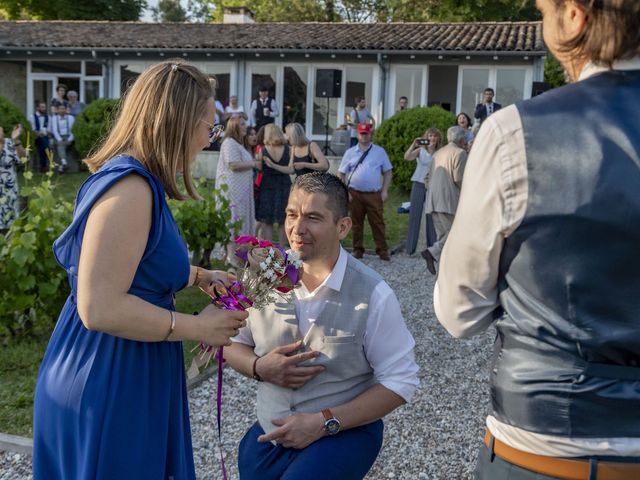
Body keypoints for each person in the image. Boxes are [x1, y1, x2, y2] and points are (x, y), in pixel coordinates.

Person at [435, 1, 640, 479]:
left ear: (575, 15)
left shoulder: (514, 132)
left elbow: (459, 312)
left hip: (545, 444)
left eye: (544, 8)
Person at [32, 60, 249, 480]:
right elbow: (100, 308)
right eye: (209, 126)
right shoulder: (130, 188)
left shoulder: (137, 180)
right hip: (110, 373)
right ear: (178, 122)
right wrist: (198, 328)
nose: (210, 138)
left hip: (128, 364)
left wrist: (198, 276)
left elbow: (135, 263)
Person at [224, 172, 419, 480]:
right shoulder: (264, 274)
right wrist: (258, 366)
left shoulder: (374, 294)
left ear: (342, 227)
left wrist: (323, 421)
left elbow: (400, 381)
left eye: (313, 217)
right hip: (269, 435)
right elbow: (230, 341)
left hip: (339, 435)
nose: (297, 229)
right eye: (291, 214)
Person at [337, 122, 392, 261]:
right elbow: (341, 173)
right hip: (354, 193)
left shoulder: (379, 151)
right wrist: (345, 192)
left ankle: (382, 250)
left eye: (366, 133)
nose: (364, 136)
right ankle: (357, 250)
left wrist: (384, 190)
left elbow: (388, 172)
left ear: (370, 134)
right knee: (355, 223)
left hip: (374, 194)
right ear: (357, 134)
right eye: (361, 133)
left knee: (378, 222)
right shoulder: (350, 153)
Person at [421, 126, 467, 275]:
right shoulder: (460, 153)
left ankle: (442, 273)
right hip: (449, 201)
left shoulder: (438, 153)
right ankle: (432, 252)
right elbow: (459, 178)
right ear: (461, 140)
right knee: (453, 236)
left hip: (433, 201)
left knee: (444, 237)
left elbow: (427, 177)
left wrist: (434, 189)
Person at [215, 115, 260, 262]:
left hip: (242, 191)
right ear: (234, 127)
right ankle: (230, 256)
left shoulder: (238, 144)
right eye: (241, 124)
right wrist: (254, 164)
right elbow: (233, 164)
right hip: (232, 191)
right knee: (233, 220)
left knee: (241, 220)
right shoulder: (229, 143)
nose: (245, 127)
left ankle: (238, 255)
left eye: (244, 124)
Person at [403, 127, 442, 255]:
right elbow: (407, 157)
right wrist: (413, 145)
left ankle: (431, 249)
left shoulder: (440, 152)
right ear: (426, 137)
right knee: (415, 215)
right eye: (430, 136)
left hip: (433, 185)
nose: (432, 138)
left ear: (438, 139)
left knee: (431, 215)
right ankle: (410, 249)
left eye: (434, 136)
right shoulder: (420, 150)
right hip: (419, 183)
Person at [256, 124, 291, 246]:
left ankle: (270, 253)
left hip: (267, 185)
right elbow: (290, 168)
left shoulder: (263, 150)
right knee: (283, 220)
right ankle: (283, 250)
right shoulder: (288, 148)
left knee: (267, 221)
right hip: (284, 184)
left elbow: (259, 168)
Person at [0, 124, 26, 234]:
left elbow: (23, 157)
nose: (0, 133)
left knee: (12, 220)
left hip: (10, 189)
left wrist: (16, 140)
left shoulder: (9, 143)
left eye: (1, 130)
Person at [28, 101, 52, 172]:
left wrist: (46, 132)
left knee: (44, 144)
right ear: (37, 108)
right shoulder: (32, 117)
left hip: (45, 137)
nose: (44, 109)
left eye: (44, 107)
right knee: (44, 144)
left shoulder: (48, 117)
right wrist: (38, 133)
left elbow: (49, 129)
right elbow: (32, 129)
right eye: (42, 107)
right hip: (35, 137)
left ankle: (43, 166)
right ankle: (45, 165)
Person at [51, 104, 75, 173]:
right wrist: (60, 140)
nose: (62, 110)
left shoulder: (71, 118)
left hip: (68, 136)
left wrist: (69, 139)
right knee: (60, 144)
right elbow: (54, 131)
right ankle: (63, 164)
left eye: (63, 108)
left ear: (66, 110)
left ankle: (62, 166)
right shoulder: (54, 118)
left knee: (60, 146)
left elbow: (73, 130)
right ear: (57, 110)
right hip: (58, 137)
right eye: (60, 109)